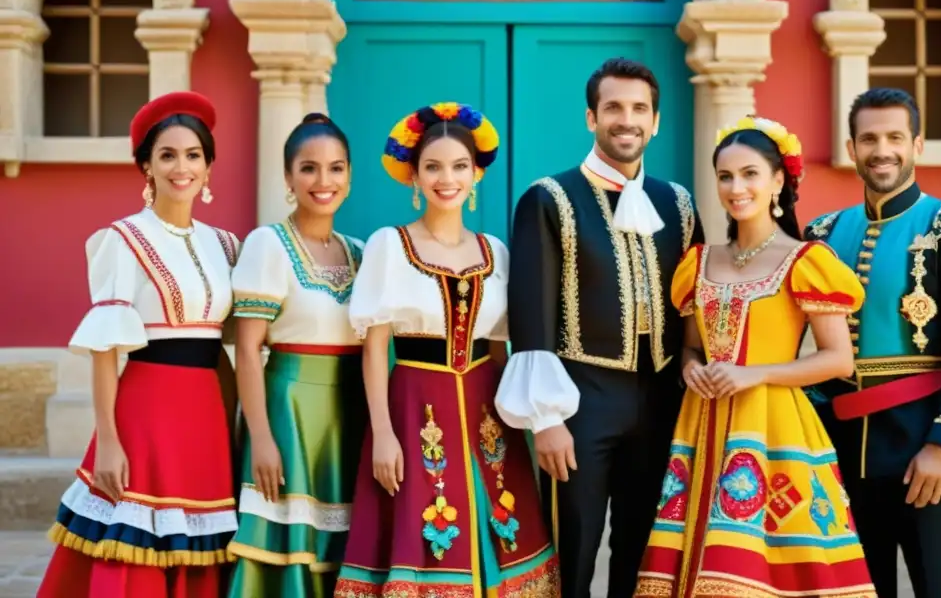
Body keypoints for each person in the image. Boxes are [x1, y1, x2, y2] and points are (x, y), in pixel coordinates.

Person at [633, 116, 877, 598]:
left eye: (750, 174)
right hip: (700, 426)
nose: (736, 187)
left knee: (764, 569)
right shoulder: (697, 261)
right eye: (725, 176)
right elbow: (691, 345)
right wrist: (690, 367)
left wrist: (753, 373)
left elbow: (837, 360)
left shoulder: (807, 261)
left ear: (778, 182)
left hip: (773, 427)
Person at [494, 57, 703, 598]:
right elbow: (531, 315)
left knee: (644, 552)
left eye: (639, 109)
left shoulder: (678, 202)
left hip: (660, 397)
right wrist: (545, 419)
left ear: (655, 121)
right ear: (591, 117)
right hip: (579, 399)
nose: (626, 119)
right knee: (574, 549)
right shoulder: (549, 198)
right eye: (613, 107)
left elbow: (692, 302)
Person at [334, 103, 559, 598]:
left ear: (476, 174)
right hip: (415, 408)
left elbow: (502, 352)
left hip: (488, 414)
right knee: (424, 537)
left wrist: (525, 425)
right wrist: (383, 434)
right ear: (413, 176)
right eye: (432, 167)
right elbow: (375, 350)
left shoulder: (495, 251)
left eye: (459, 166)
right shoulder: (388, 246)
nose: (446, 178)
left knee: (502, 535)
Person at [37, 92, 240, 598]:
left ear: (209, 166)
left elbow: (226, 347)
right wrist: (107, 438)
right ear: (146, 166)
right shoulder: (123, 239)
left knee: (198, 544)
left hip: (207, 416)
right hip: (145, 411)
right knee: (137, 543)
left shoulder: (227, 245)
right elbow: (107, 350)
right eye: (167, 155)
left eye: (193, 155)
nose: (181, 167)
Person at [804, 88, 941, 598]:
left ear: (918, 143)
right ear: (852, 148)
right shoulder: (822, 234)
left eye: (895, 137)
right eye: (869, 138)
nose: (882, 149)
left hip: (923, 443)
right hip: (840, 450)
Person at [227, 113, 367, 597]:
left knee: (343, 548)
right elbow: (247, 351)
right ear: (288, 177)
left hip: (352, 413)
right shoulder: (268, 244)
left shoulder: (361, 252)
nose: (323, 180)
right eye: (308, 168)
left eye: (336, 168)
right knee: (289, 548)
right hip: (289, 412)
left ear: (350, 175)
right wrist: (261, 438)